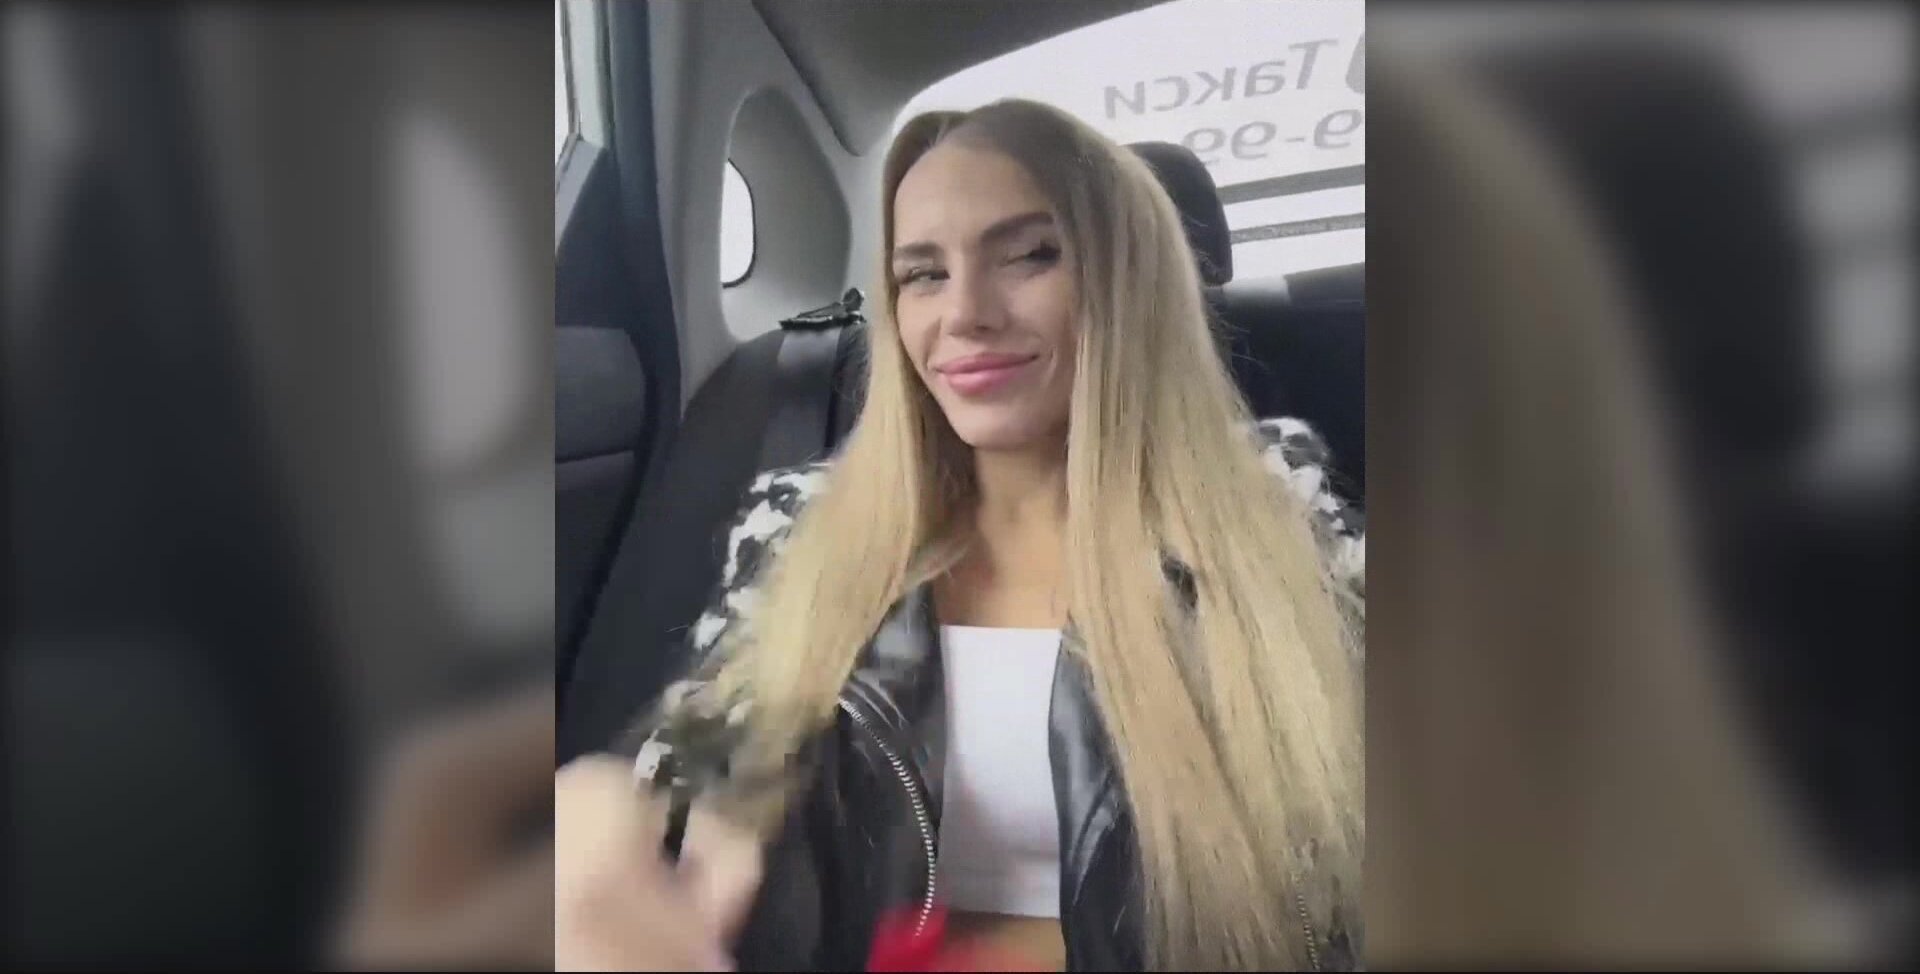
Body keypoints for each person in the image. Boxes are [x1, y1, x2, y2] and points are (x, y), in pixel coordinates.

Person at [555, 98, 1366, 973]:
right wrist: (617, 809)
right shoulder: (805, 519)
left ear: (1128, 280)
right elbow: (709, 736)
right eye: (923, 274)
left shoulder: (1269, 506)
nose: (966, 314)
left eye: (1029, 255)